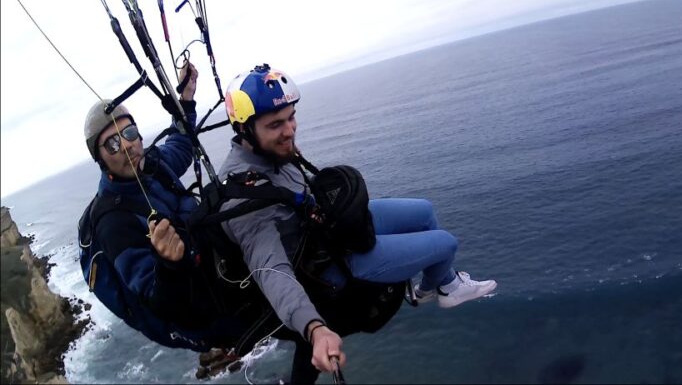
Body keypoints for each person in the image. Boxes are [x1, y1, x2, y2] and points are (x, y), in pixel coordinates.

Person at [219, 64, 498, 382]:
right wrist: (314, 328)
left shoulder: (269, 153)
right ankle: (446, 290)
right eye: (275, 125)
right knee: (446, 243)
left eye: (291, 117)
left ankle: (441, 286)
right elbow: (272, 273)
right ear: (245, 129)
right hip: (332, 264)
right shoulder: (245, 201)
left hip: (326, 228)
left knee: (424, 211)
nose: (290, 130)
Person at [80, 63, 249, 352]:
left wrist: (186, 98)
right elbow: (158, 301)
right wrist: (169, 264)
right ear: (101, 159)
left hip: (217, 269)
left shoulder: (152, 165)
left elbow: (181, 145)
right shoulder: (113, 223)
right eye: (112, 144)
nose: (127, 146)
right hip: (202, 315)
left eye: (129, 132)